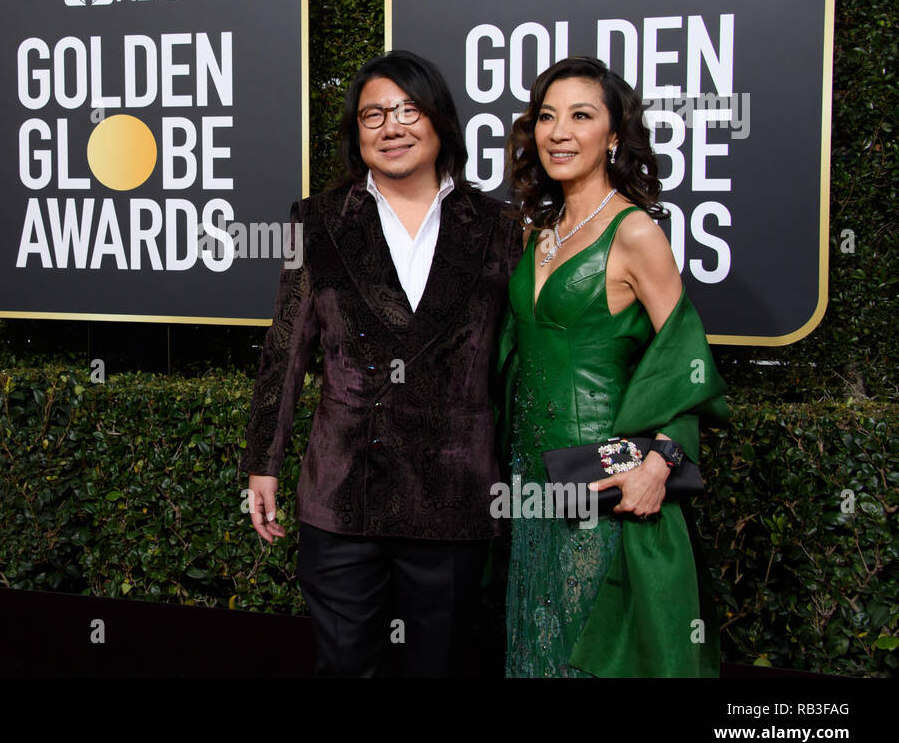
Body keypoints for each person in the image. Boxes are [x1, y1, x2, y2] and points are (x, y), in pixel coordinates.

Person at [240, 49, 520, 676]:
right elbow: (286, 346)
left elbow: (523, 358)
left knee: (439, 667)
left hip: (454, 494)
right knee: (345, 667)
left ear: (440, 122)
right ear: (356, 136)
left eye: (407, 110)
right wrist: (264, 463)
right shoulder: (316, 222)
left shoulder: (501, 229)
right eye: (373, 116)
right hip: (342, 493)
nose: (391, 127)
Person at [498, 55, 727, 677]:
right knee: (536, 644)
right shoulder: (535, 231)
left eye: (581, 115)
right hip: (528, 479)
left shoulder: (636, 233)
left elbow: (685, 366)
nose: (559, 132)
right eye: (546, 117)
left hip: (602, 481)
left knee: (589, 653)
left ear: (615, 134)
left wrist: (661, 461)